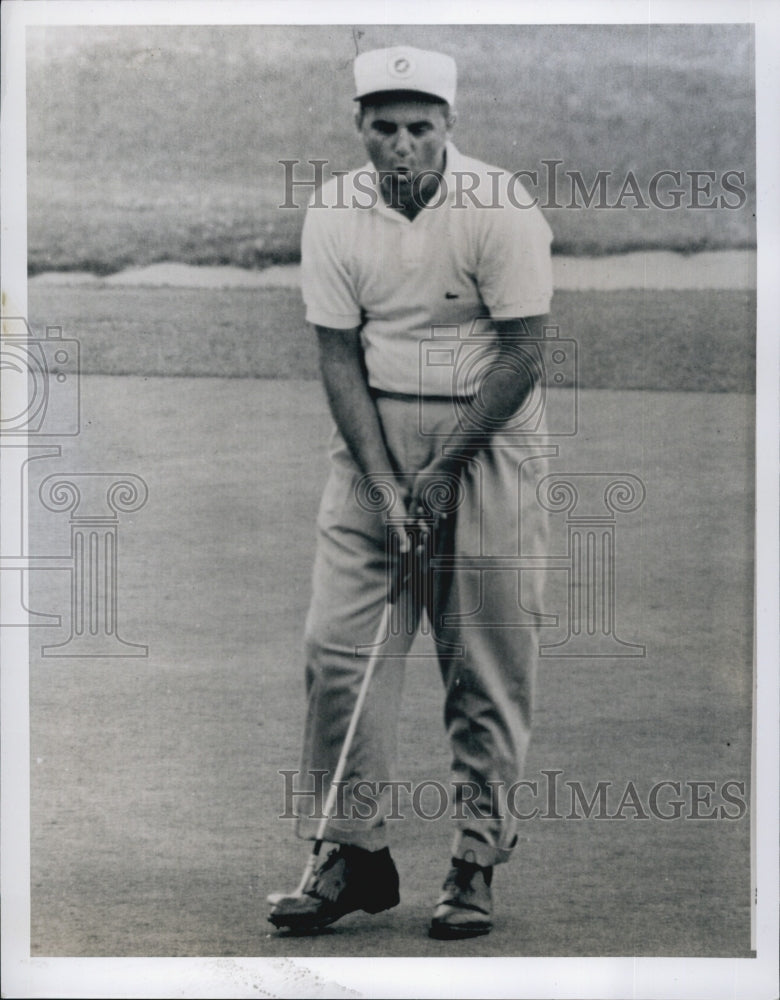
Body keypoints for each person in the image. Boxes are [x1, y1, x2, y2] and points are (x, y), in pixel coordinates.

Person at [271, 45, 553, 939]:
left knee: (484, 655)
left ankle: (475, 859)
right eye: (383, 128)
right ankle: (353, 855)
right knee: (338, 647)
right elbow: (335, 353)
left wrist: (437, 473)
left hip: (489, 436)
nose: (401, 146)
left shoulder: (501, 207)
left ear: (448, 128)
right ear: (360, 128)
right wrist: (385, 478)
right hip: (373, 437)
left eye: (419, 128)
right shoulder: (333, 212)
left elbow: (523, 354)